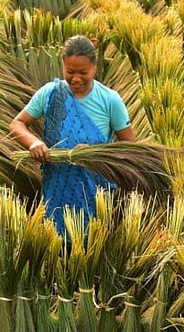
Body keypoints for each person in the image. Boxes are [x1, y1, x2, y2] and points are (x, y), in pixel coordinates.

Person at [9, 35, 135, 239]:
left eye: (83, 72)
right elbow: (17, 124)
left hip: (95, 194)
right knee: (54, 244)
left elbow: (130, 147)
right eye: (70, 72)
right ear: (62, 66)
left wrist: (95, 154)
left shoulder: (111, 100)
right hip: (56, 188)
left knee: (90, 248)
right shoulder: (50, 93)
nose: (76, 79)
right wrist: (34, 142)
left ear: (95, 67)